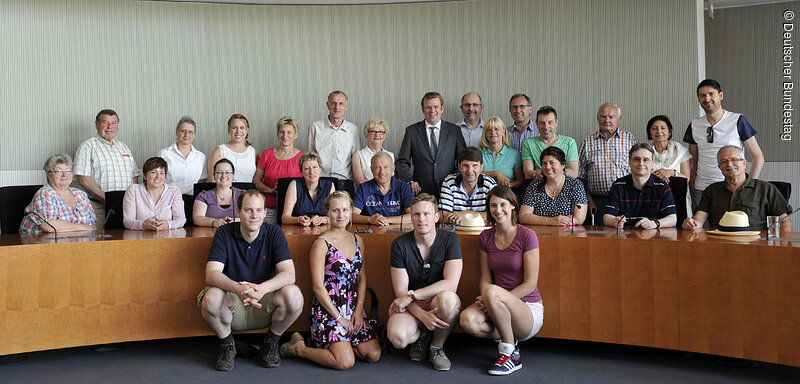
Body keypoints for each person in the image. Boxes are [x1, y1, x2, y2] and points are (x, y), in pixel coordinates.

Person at [198, 190, 303, 371]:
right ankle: (227, 345)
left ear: (264, 212)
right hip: (233, 302)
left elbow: (289, 274)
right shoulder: (223, 233)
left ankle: (271, 343)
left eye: (258, 210)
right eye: (248, 210)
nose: (254, 215)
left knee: (294, 294)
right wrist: (238, 288)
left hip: (264, 303)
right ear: (237, 211)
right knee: (212, 297)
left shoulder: (275, 233)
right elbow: (211, 274)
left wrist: (262, 288)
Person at [279, 191, 381, 370]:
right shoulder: (321, 244)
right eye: (335, 210)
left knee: (373, 354)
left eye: (345, 210)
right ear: (327, 212)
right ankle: (299, 349)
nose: (341, 215)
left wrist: (358, 311)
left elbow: (362, 279)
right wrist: (340, 318)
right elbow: (318, 287)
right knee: (345, 362)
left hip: (352, 307)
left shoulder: (359, 240)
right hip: (329, 310)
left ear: (351, 211)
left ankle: (343, 346)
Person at [459, 186, 543, 376]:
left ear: (513, 205)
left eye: (503, 204)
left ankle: (510, 353)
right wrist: (489, 300)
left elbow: (530, 283)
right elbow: (485, 278)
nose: (498, 210)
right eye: (493, 205)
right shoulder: (485, 237)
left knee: (491, 291)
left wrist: (493, 298)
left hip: (527, 308)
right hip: (495, 304)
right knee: (467, 320)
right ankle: (509, 340)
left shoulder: (527, 235)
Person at [388, 193, 462, 371]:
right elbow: (400, 293)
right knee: (397, 338)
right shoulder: (399, 244)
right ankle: (422, 335)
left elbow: (451, 283)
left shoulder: (450, 239)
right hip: (412, 305)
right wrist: (422, 315)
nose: (422, 219)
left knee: (449, 299)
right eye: (416, 214)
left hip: (437, 301)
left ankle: (436, 346)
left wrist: (412, 296)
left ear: (436, 217)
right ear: (411, 217)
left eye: (427, 214)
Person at [683, 79, 764, 204]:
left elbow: (758, 157)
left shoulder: (738, 120)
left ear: (721, 95)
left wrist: (748, 188)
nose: (707, 99)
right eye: (702, 95)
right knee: (702, 224)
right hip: (702, 190)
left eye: (711, 94)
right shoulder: (694, 125)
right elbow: (693, 163)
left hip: (732, 188)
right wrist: (692, 193)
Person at [682, 146, 792, 231]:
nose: (729, 164)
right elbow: (699, 220)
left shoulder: (766, 189)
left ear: (744, 163)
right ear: (719, 167)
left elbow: (784, 222)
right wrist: (691, 224)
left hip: (755, 246)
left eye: (734, 159)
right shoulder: (711, 190)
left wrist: (783, 246)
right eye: (724, 161)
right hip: (718, 245)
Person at [74, 109, 139, 229]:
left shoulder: (124, 148)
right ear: (96, 124)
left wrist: (130, 200)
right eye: (105, 122)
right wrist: (108, 200)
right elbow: (83, 179)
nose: (110, 127)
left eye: (114, 123)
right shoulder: (88, 146)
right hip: (98, 206)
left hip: (125, 207)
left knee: (124, 242)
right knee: (98, 243)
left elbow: (134, 176)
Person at [396, 92, 467, 196]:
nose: (432, 111)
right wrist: (410, 181)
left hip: (449, 190)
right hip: (420, 190)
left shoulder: (454, 131)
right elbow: (402, 161)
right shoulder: (412, 131)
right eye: (428, 107)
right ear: (423, 109)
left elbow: (463, 159)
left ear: (442, 108)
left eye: (435, 107)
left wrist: (455, 177)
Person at [578, 103, 637, 225]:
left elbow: (637, 170)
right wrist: (589, 201)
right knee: (600, 239)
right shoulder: (588, 142)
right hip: (597, 202)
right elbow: (580, 177)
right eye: (603, 116)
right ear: (598, 118)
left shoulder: (629, 139)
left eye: (611, 117)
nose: (607, 120)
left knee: (626, 237)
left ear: (619, 119)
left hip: (625, 199)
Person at [603, 143, 677, 229]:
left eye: (646, 160)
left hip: (655, 237)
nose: (641, 163)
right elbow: (607, 217)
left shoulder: (662, 186)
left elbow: (672, 219)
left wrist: (654, 223)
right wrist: (615, 221)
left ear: (652, 164)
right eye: (637, 159)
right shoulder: (618, 186)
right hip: (625, 237)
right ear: (629, 162)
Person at [19, 154, 96, 233]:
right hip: (40, 243)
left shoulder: (80, 194)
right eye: (58, 171)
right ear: (48, 175)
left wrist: (88, 228)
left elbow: (93, 226)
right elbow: (50, 227)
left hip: (77, 243)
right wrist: (85, 227)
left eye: (68, 171)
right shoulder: (45, 194)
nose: (64, 175)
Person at [519, 147, 587, 226]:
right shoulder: (534, 185)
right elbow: (523, 217)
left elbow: (578, 218)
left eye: (552, 163)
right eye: (544, 163)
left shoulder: (575, 185)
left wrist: (560, 221)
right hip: (539, 234)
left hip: (566, 234)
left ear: (563, 165)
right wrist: (550, 221)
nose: (547, 167)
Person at [254, 116, 304, 223]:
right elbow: (256, 181)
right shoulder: (266, 154)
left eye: (289, 132)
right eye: (282, 132)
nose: (285, 135)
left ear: (296, 135)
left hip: (294, 210)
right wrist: (271, 190)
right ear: (277, 134)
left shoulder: (303, 158)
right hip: (269, 208)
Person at [307, 91, 361, 181]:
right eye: (334, 103)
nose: (337, 107)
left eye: (341, 104)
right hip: (320, 181)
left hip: (344, 181)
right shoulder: (315, 127)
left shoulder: (353, 129)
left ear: (346, 107)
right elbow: (310, 157)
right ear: (328, 105)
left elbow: (356, 159)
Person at [122, 157, 186, 230]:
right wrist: (143, 225)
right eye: (153, 172)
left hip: (167, 237)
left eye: (161, 173)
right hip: (140, 238)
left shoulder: (174, 191)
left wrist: (168, 224)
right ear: (145, 176)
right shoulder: (133, 190)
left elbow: (181, 220)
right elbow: (127, 221)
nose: (158, 177)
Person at [439, 147, 497, 224]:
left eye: (474, 166)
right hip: (456, 233)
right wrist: (479, 217)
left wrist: (465, 214)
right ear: (459, 166)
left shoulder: (490, 184)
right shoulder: (449, 183)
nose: (470, 171)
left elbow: (496, 214)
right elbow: (442, 216)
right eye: (466, 166)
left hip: (483, 233)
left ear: (481, 167)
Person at [352, 152, 413, 226]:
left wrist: (387, 219)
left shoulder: (403, 188)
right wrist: (370, 219)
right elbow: (352, 216)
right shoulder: (364, 188)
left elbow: (413, 215)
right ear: (372, 170)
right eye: (377, 167)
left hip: (397, 232)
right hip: (371, 232)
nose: (382, 172)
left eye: (386, 167)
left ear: (393, 168)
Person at [521, 106, 579, 179]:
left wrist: (547, 171)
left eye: (550, 122)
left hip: (564, 185)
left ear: (556, 122)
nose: (546, 127)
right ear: (536, 124)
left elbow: (573, 173)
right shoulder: (528, 143)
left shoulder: (570, 142)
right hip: (538, 186)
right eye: (542, 123)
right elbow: (528, 174)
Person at [282, 152, 335, 226]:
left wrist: (323, 219)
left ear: (320, 169)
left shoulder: (329, 186)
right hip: (299, 231)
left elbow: (335, 216)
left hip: (323, 231)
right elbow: (284, 218)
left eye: (315, 167)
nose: (311, 172)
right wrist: (299, 219)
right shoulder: (294, 185)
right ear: (301, 172)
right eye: (307, 168)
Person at [159, 116, 207, 195]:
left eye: (190, 132)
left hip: (193, 199)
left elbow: (202, 181)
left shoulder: (201, 157)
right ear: (177, 133)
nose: (186, 135)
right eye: (183, 131)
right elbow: (158, 179)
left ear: (194, 135)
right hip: (169, 198)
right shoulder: (164, 154)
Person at [207, 114, 257, 183]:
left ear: (247, 130)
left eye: (242, 127)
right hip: (226, 193)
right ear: (229, 129)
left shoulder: (253, 152)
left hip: (249, 193)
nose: (238, 131)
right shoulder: (219, 151)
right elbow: (212, 181)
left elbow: (257, 180)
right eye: (234, 127)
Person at [194, 159, 244, 227]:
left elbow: (254, 215)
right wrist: (214, 222)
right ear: (214, 175)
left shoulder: (244, 195)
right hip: (211, 235)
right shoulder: (204, 195)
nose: (223, 176)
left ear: (233, 175)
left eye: (227, 172)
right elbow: (197, 218)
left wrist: (238, 220)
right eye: (219, 172)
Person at [479, 117, 523, 189]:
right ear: (485, 134)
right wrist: (496, 174)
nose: (493, 132)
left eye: (496, 129)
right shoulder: (478, 153)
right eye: (489, 130)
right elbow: (472, 173)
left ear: (504, 132)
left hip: (507, 195)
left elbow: (520, 181)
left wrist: (508, 186)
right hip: (483, 195)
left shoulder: (514, 154)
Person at [647, 115, 691, 183]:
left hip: (677, 192)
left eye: (663, 128)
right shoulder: (645, 152)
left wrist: (672, 173)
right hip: (652, 192)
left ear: (669, 132)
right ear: (650, 133)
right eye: (654, 128)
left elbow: (686, 179)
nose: (659, 131)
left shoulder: (681, 151)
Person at [352, 119, 394, 185]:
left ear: (385, 136)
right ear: (367, 134)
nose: (377, 134)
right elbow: (360, 181)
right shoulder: (358, 155)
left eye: (381, 132)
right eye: (373, 131)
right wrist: (381, 188)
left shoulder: (391, 155)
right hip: (367, 193)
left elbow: (394, 181)